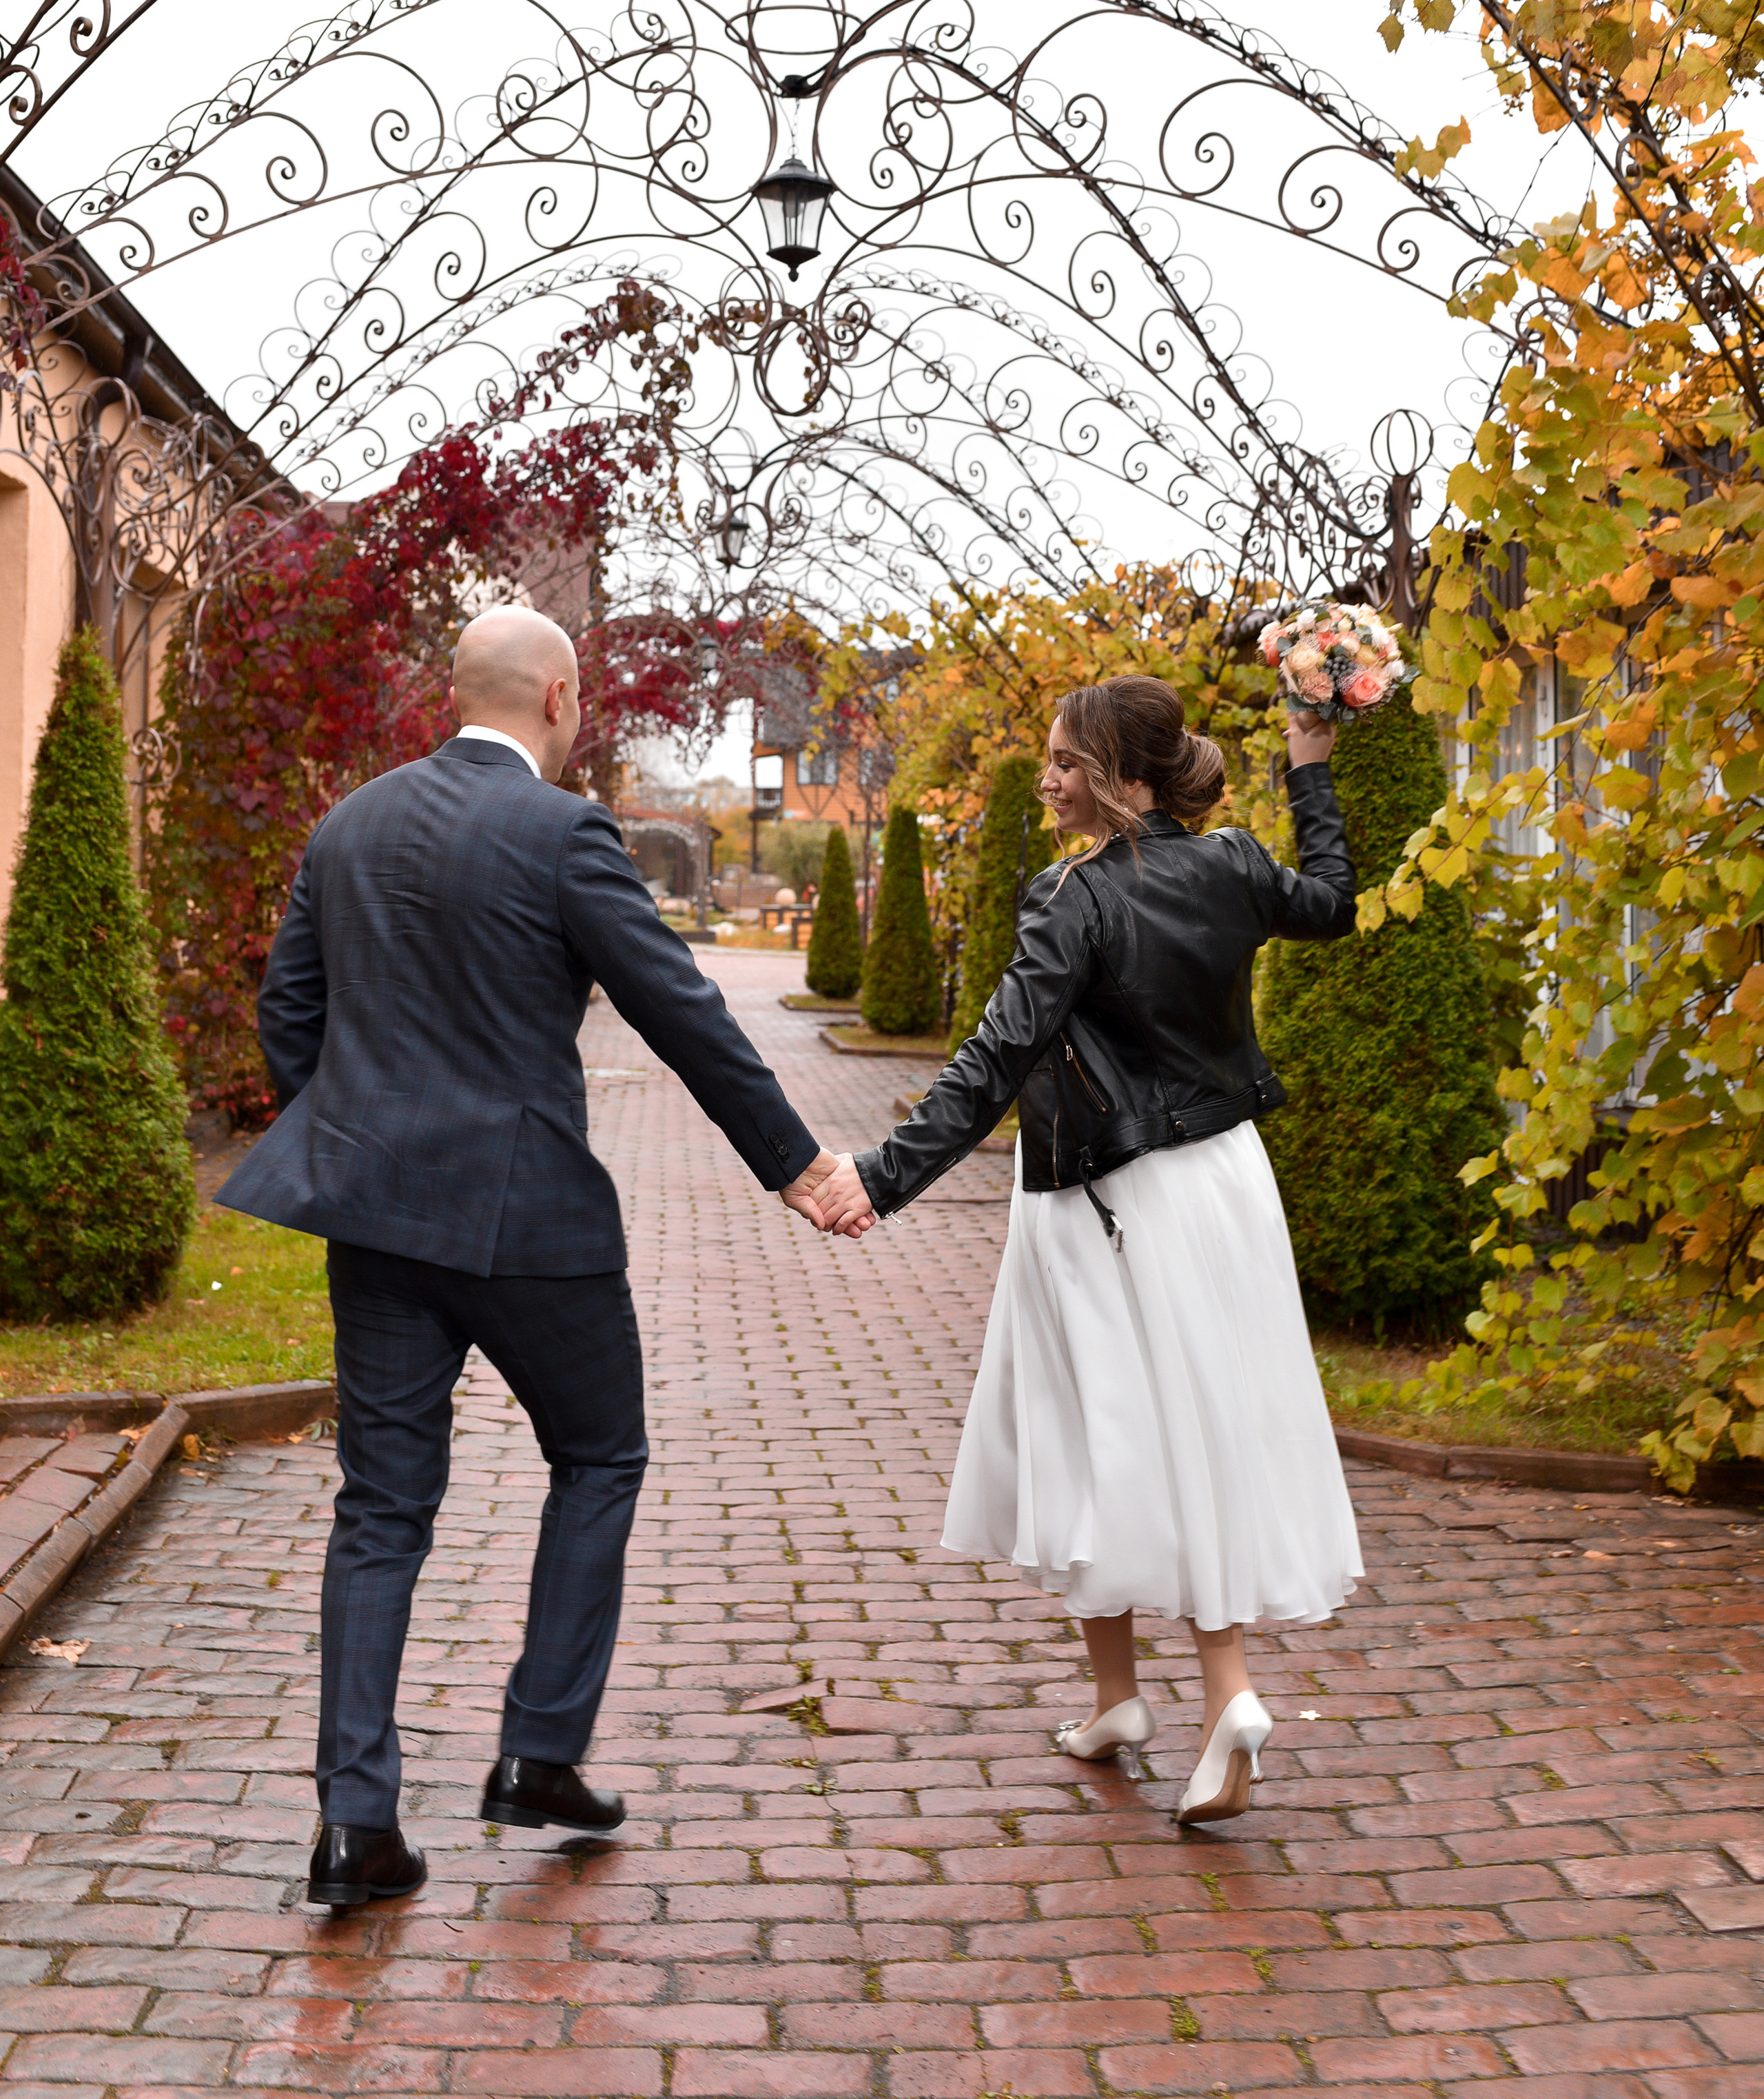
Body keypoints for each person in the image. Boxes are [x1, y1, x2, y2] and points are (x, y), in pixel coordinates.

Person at [220, 606, 839, 1909]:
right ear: (560, 697)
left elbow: (291, 1011)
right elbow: (682, 1006)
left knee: (380, 1510)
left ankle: (355, 1826)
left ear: (458, 692)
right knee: (601, 1453)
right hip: (528, 1223)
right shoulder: (565, 833)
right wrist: (795, 1162)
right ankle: (540, 1753)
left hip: (376, 1220)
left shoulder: (348, 825)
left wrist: (351, 1138)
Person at [811, 673, 1362, 1822]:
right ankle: (1137, 1697)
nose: (1049, 778)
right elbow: (1334, 901)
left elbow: (999, 1051)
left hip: (1102, 1199)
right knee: (1185, 1425)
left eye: (1065, 762)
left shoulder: (1074, 897)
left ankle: (1221, 1699)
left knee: (1107, 1434)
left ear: (1120, 778)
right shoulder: (1236, 864)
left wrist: (882, 1177)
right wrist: (1310, 767)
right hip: (1223, 1185)